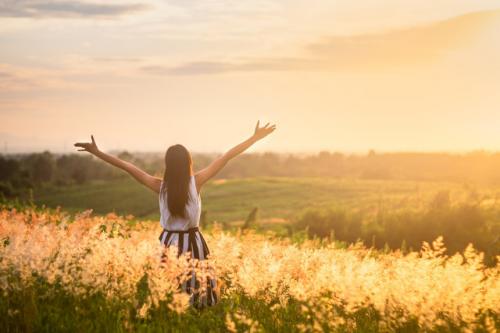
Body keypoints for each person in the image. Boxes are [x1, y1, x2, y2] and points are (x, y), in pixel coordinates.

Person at [74, 121, 276, 307]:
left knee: (168, 296)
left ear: (168, 165)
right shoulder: (196, 182)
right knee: (199, 298)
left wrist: (97, 152)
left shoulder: (159, 186)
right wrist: (254, 138)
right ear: (188, 162)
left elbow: (127, 166)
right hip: (193, 243)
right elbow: (226, 157)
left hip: (168, 244)